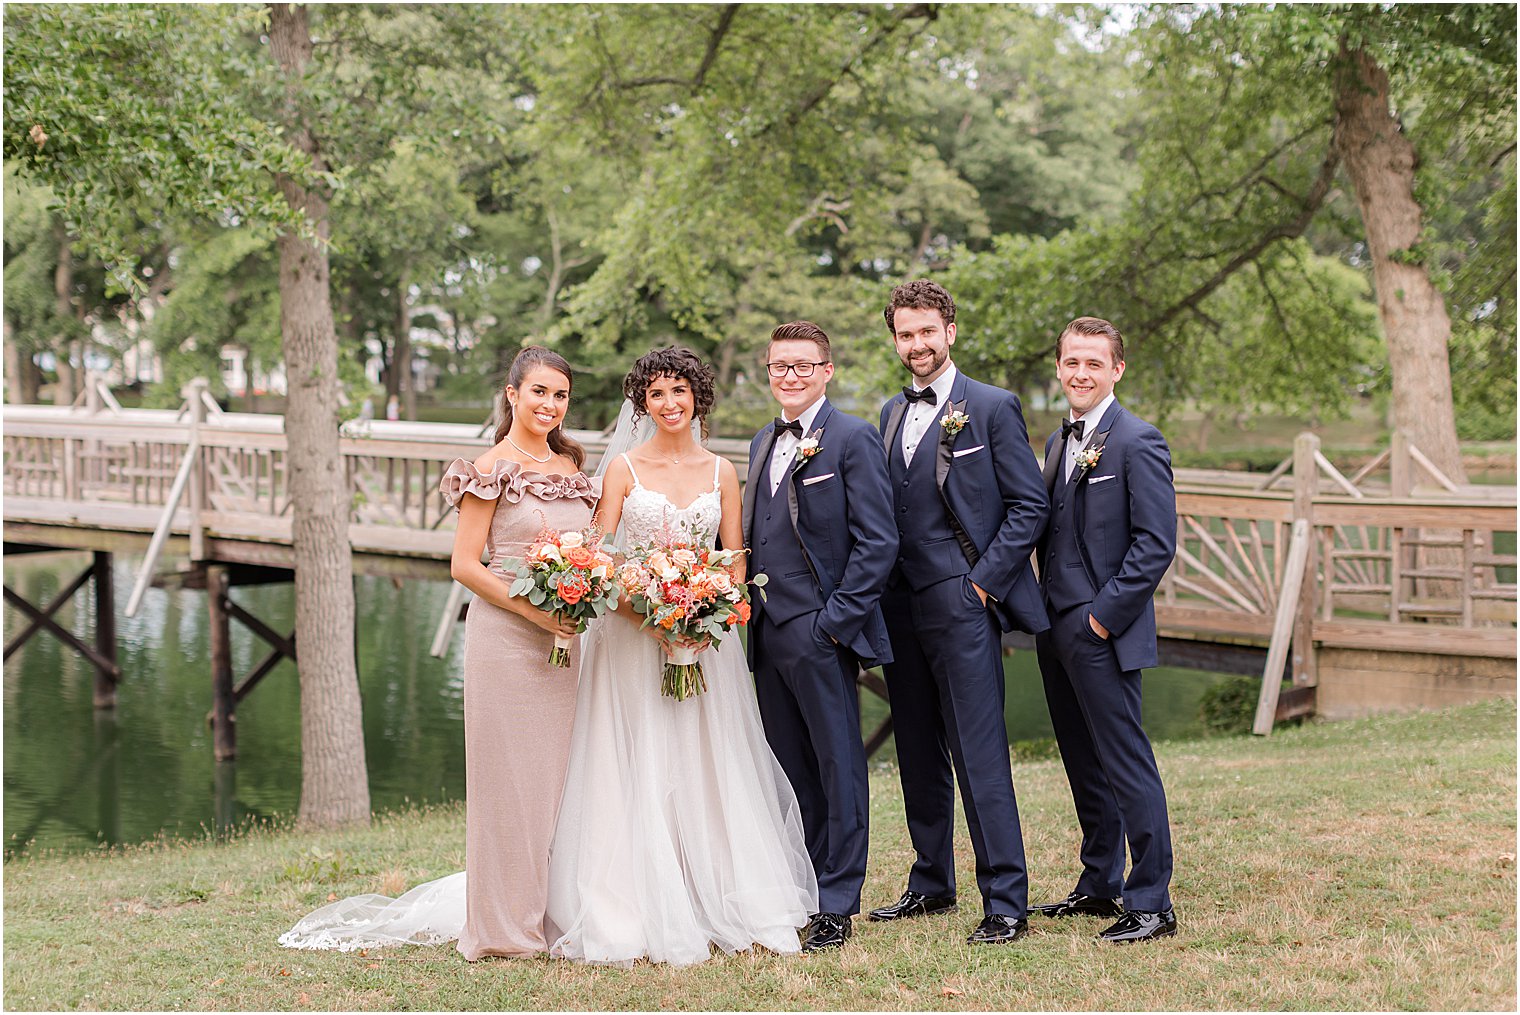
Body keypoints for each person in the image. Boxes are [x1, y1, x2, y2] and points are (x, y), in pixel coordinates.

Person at [277, 346, 597, 959]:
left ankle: (548, 911)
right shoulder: (488, 469)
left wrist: (579, 601)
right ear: (512, 395)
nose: (550, 406)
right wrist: (538, 612)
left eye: (560, 395)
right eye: (538, 393)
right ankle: (503, 930)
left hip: (565, 642)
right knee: (507, 783)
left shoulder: (572, 466)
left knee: (555, 783)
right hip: (507, 639)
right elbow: (463, 564)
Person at [545, 346, 818, 967]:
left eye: (679, 392)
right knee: (633, 756)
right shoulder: (623, 471)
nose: (669, 404)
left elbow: (735, 558)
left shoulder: (722, 471)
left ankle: (710, 891)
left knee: (703, 756)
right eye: (656, 394)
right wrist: (649, 611)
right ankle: (631, 900)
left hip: (701, 640)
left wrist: (703, 613)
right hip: (630, 637)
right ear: (641, 403)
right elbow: (602, 555)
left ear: (698, 397)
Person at [869, 279, 1049, 945]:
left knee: (978, 752)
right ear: (896, 339)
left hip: (962, 599)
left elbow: (1030, 505)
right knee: (915, 744)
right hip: (897, 603)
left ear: (950, 331)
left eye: (927, 331)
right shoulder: (890, 412)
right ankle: (930, 880)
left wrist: (981, 585)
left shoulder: (994, 407)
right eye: (905, 334)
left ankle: (1005, 899)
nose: (916, 344)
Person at [742, 321, 897, 952]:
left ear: (827, 371)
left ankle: (838, 899)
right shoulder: (760, 441)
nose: (791, 376)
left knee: (839, 765)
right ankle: (802, 884)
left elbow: (879, 542)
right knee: (789, 766)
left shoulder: (854, 438)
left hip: (821, 631)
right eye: (781, 366)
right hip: (763, 633)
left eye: (803, 365)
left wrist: (835, 622)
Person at [1032, 316, 1179, 943]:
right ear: (1059, 368)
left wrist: (1099, 619)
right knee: (1082, 761)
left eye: (1094, 363)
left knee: (1125, 762)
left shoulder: (1138, 441)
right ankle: (1099, 883)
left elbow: (1155, 545)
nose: (1081, 374)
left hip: (1102, 630)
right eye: (1072, 363)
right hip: (1053, 625)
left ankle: (1152, 902)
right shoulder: (1057, 441)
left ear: (1116, 369)